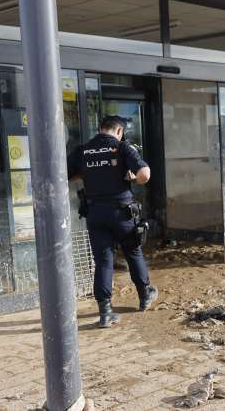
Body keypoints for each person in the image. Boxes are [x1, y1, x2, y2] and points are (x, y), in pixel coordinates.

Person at [67, 115, 158, 328]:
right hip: (122, 213)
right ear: (119, 131)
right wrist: (131, 178)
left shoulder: (83, 150)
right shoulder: (122, 148)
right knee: (133, 253)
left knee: (103, 261)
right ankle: (145, 296)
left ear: (100, 129)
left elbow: (64, 174)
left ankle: (105, 313)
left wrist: (90, 175)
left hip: (95, 214)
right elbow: (144, 174)